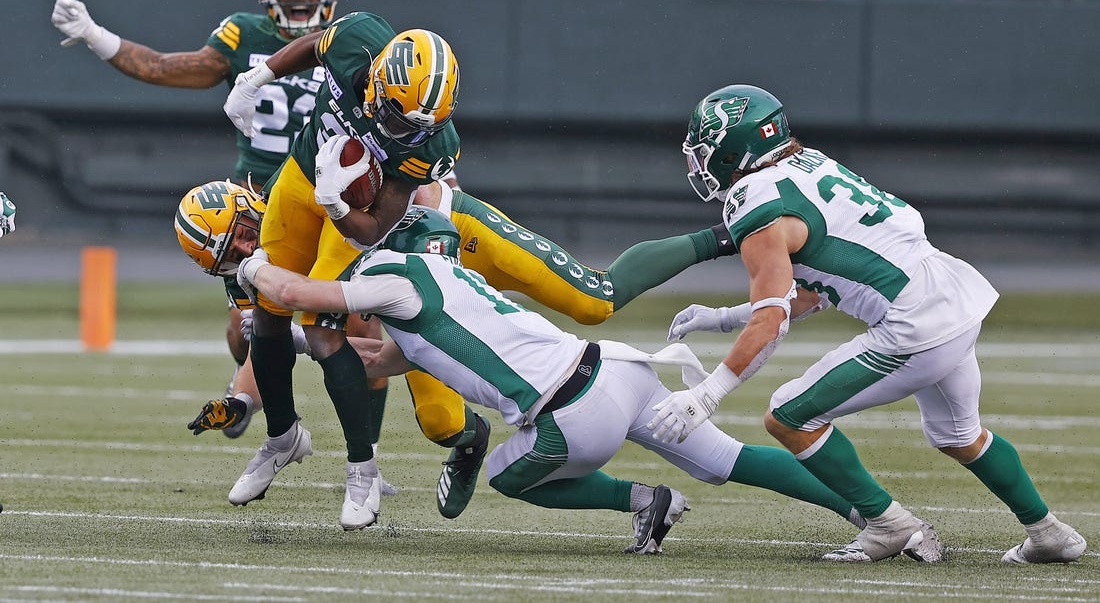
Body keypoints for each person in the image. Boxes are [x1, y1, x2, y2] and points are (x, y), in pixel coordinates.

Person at [233, 205, 869, 553]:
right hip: (618, 368)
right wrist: (289, 347)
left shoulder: (398, 276)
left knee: (508, 477)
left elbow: (293, 287)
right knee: (728, 458)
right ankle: (871, 512)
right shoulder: (451, 282)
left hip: (571, 410)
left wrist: (254, 266)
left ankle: (645, 502)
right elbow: (400, 355)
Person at [649, 83, 1088, 564]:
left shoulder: (753, 199)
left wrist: (705, 395)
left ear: (734, 148)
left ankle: (888, 525)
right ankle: (1049, 534)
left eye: (705, 150)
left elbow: (773, 318)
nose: (698, 163)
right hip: (951, 297)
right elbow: (825, 286)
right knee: (960, 436)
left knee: (789, 416)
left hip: (913, 322)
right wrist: (726, 317)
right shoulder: (809, 164)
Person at [45, 0, 375, 441]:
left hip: (334, 196)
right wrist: (95, 34)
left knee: (363, 326)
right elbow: (165, 67)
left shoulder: (346, 41)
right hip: (260, 203)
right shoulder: (245, 34)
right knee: (243, 329)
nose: (300, 1)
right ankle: (268, 411)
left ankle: (364, 447)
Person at [220, 21, 487, 531]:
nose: (403, 133)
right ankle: (282, 437)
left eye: (418, 126)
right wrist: (257, 79)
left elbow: (373, 230)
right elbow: (314, 44)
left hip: (350, 214)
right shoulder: (357, 43)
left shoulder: (431, 145)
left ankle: (362, 469)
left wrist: (335, 201)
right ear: (377, 82)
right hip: (299, 176)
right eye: (396, 115)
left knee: (322, 330)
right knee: (266, 310)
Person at [176, 179, 399, 493]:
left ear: (249, 204)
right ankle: (347, 459)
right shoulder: (241, 272)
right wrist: (240, 403)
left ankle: (374, 453)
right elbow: (265, 344)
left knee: (361, 330)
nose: (244, 250)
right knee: (253, 330)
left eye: (240, 234)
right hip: (326, 288)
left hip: (375, 257)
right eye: (230, 255)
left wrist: (302, 336)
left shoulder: (294, 207)